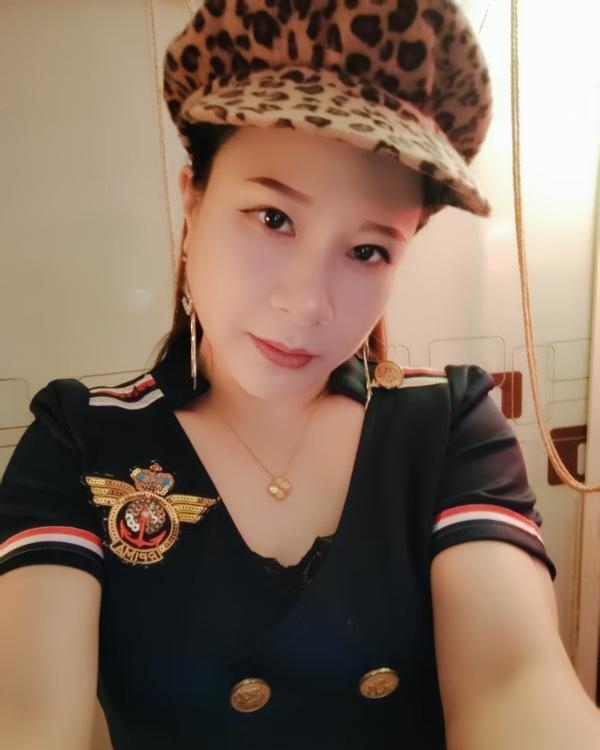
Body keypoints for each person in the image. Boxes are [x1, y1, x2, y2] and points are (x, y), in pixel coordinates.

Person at [0, 1, 599, 749]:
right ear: (194, 201)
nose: (309, 304)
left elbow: (515, 683)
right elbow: (24, 715)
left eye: (368, 250)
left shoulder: (445, 421)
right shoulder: (82, 439)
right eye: (273, 217)